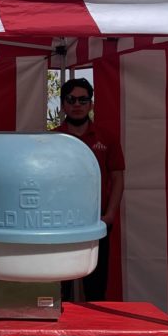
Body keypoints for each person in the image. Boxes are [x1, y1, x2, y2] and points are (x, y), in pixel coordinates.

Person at [52, 77, 124, 302]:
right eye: (71, 99)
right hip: (60, 222)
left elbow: (118, 177)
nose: (77, 104)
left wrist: (110, 214)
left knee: (95, 284)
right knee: (58, 280)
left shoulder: (107, 137)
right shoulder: (52, 138)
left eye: (83, 99)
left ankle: (94, 332)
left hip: (96, 221)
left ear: (91, 104)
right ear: (63, 105)